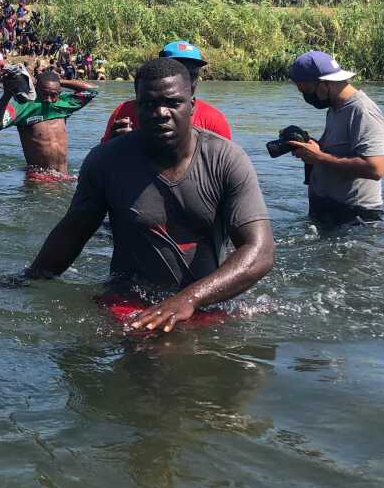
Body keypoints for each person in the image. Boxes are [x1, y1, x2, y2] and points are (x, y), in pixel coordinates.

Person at [26, 58, 274, 332]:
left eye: (173, 102)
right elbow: (72, 233)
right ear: (136, 107)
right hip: (129, 300)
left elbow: (260, 251)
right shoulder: (106, 161)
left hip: (205, 301)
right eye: (148, 104)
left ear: (192, 106)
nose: (161, 112)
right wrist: (27, 280)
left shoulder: (226, 160)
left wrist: (188, 299)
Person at [286, 50, 384, 228]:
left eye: (307, 91)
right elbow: (339, 151)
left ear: (325, 84)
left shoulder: (362, 111)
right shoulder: (335, 107)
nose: (307, 98)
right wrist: (313, 147)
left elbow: (375, 168)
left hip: (354, 217)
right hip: (329, 210)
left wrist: (319, 157)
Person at [102, 41, 232, 141]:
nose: (185, 81)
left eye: (191, 74)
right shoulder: (125, 112)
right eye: (176, 72)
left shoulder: (213, 120)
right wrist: (113, 146)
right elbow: (101, 165)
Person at [0, 69, 97, 177]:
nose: (48, 100)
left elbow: (92, 91)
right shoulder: (23, 106)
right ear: (36, 89)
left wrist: (60, 81)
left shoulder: (64, 104)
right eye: (44, 94)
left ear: (59, 93)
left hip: (63, 175)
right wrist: (7, 95)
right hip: (38, 177)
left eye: (53, 95)